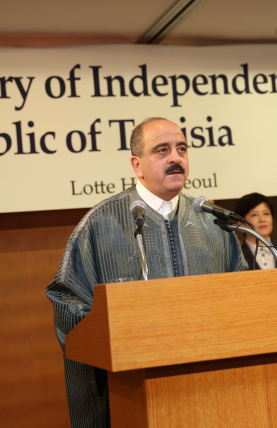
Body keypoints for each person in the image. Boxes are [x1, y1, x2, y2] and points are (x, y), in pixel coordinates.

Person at [46, 117, 247, 428]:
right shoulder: (101, 224)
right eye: (162, 150)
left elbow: (243, 295)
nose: (176, 158)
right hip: (133, 392)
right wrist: (118, 337)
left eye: (181, 149)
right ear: (137, 165)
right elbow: (68, 301)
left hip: (212, 390)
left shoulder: (212, 223)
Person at [234, 192, 277, 269]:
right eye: (254, 215)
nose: (262, 219)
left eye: (266, 213)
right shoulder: (235, 258)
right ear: (241, 224)